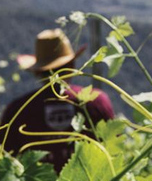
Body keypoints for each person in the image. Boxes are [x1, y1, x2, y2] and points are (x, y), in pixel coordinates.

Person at [0, 28, 114, 172]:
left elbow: (6, 162)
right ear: (72, 66)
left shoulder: (17, 110)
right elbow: (114, 152)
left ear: (37, 72)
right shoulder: (97, 101)